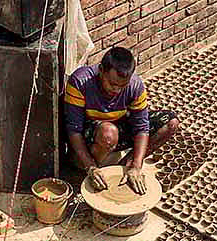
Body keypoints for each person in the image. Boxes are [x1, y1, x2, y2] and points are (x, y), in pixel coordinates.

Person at [65, 46, 181, 196]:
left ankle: (125, 166)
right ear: (101, 70)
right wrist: (90, 167)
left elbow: (141, 127)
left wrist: (136, 165)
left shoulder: (135, 85)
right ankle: (87, 170)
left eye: (122, 85)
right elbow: (73, 129)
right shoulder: (80, 82)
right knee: (108, 134)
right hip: (90, 132)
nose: (117, 90)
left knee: (170, 123)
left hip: (117, 126)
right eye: (112, 84)